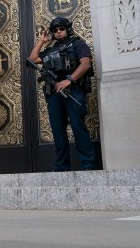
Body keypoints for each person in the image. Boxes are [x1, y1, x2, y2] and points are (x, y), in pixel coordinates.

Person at [28, 16, 96, 171]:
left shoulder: (78, 44)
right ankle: (61, 167)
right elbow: (32, 59)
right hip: (54, 94)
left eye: (61, 29)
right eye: (55, 30)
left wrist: (69, 80)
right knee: (58, 131)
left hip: (73, 91)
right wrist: (41, 41)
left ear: (67, 29)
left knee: (78, 128)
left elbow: (85, 64)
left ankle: (88, 165)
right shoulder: (50, 50)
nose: (58, 32)